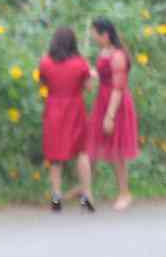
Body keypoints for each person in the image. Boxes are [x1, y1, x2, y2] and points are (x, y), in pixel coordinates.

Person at [37, 26, 95, 212]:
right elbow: (88, 88)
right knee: (82, 151)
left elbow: (43, 82)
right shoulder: (80, 63)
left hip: (54, 107)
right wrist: (90, 74)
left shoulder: (45, 63)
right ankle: (87, 196)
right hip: (74, 109)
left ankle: (56, 198)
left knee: (55, 156)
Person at [88, 16, 141, 211]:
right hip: (102, 100)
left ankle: (124, 193)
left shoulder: (118, 55)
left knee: (117, 150)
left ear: (105, 34)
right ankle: (86, 188)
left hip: (115, 104)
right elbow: (103, 73)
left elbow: (118, 88)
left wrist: (109, 116)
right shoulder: (104, 51)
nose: (92, 36)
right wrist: (92, 74)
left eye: (94, 32)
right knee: (92, 144)